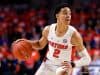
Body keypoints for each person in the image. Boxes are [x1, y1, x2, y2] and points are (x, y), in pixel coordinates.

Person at [14, 3, 91, 75]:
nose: (68, 16)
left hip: (63, 66)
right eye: (65, 13)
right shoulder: (48, 30)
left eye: (69, 13)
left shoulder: (74, 35)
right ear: (57, 16)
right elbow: (40, 45)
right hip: (48, 63)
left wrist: (73, 64)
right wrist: (26, 42)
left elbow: (87, 59)